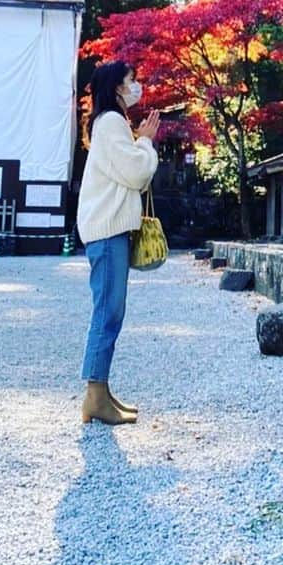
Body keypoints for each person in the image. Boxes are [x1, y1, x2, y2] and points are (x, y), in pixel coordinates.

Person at [77, 59, 161, 425]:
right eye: (132, 80)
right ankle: (95, 396)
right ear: (116, 87)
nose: (136, 85)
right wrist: (145, 142)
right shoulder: (111, 122)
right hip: (107, 230)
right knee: (108, 312)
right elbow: (137, 172)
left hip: (107, 229)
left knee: (110, 310)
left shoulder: (110, 124)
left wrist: (139, 140)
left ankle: (101, 391)